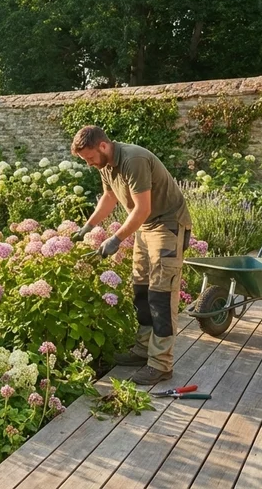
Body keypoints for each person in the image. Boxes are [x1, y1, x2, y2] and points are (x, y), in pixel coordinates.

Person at [70, 125, 192, 385]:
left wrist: (115, 239)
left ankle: (161, 364)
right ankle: (143, 350)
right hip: (146, 226)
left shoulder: (133, 159)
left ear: (103, 146)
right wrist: (88, 227)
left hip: (167, 224)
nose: (89, 164)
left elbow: (142, 208)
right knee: (142, 290)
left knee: (161, 294)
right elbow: (109, 197)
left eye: (89, 158)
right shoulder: (106, 165)